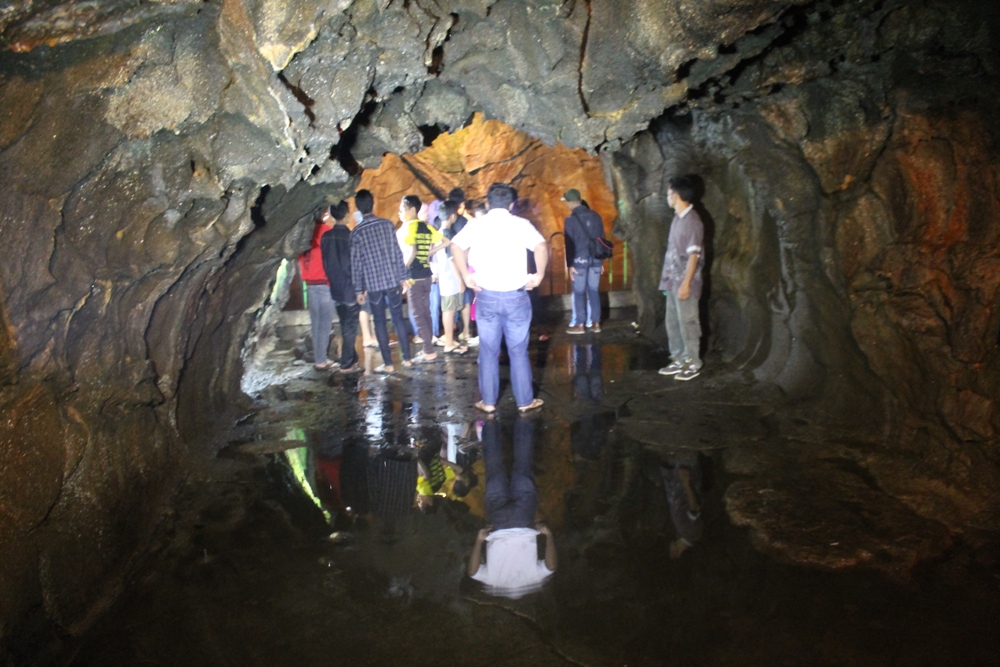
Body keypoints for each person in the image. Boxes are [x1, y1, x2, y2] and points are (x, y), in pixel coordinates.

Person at [451, 183, 547, 414]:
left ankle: (489, 401)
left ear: (487, 203)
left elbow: (455, 246)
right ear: (512, 204)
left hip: (487, 297)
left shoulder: (476, 224)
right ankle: (525, 401)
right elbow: (541, 246)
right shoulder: (520, 224)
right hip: (517, 297)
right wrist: (539, 275)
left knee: (488, 350)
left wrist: (466, 277)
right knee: (518, 351)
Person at [467, 417, 556, 599]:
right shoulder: (494, 583)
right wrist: (479, 540)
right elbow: (473, 573)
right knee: (494, 468)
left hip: (523, 519)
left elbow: (551, 566)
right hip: (498, 522)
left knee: (523, 466)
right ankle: (489, 420)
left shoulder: (533, 581)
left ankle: (524, 418)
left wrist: (549, 536)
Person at [351, 189, 413, 373]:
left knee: (379, 321)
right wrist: (403, 278)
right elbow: (396, 252)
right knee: (397, 319)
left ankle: (388, 364)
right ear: (373, 203)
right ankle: (408, 359)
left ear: (359, 209)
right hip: (392, 280)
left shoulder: (356, 233)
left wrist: (358, 290)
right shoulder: (386, 225)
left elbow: (357, 264)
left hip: (373, 284)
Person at [657, 176, 704, 382]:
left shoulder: (692, 221)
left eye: (668, 193)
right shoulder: (677, 218)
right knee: (673, 323)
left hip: (686, 283)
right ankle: (678, 358)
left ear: (675, 195)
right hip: (673, 282)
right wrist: (667, 281)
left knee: (688, 323)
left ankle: (693, 361)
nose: (667, 197)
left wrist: (686, 284)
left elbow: (694, 255)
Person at [400, 195, 448, 363]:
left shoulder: (409, 227)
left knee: (417, 314)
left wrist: (403, 272)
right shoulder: (427, 227)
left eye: (403, 209)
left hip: (414, 277)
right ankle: (429, 347)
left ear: (412, 209)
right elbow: (446, 241)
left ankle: (428, 351)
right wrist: (428, 253)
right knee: (426, 312)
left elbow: (412, 251)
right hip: (427, 276)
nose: (401, 212)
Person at [320, 201, 362, 373]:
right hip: (350, 288)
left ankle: (352, 358)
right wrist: (360, 289)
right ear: (346, 215)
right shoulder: (351, 237)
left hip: (335, 288)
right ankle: (346, 364)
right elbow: (356, 266)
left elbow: (325, 263)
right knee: (350, 327)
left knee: (345, 324)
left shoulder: (325, 237)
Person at [562, 189, 607, 335]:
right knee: (593, 291)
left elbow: (569, 245)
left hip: (579, 260)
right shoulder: (596, 216)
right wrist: (601, 261)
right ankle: (596, 323)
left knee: (579, 292)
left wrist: (570, 265)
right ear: (580, 200)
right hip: (595, 260)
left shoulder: (570, 220)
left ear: (569, 202)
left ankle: (580, 325)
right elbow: (602, 239)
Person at [299, 206, 337, 370]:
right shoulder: (326, 231)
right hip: (323, 282)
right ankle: (321, 361)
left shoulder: (302, 232)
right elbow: (331, 258)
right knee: (325, 323)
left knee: (316, 324)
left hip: (309, 283)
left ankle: (319, 359)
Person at [433, 200, 468, 354]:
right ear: (453, 216)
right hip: (450, 278)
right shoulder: (448, 234)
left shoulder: (440, 232)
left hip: (446, 278)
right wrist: (460, 279)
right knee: (449, 310)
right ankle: (448, 343)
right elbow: (451, 258)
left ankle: (450, 339)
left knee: (449, 309)